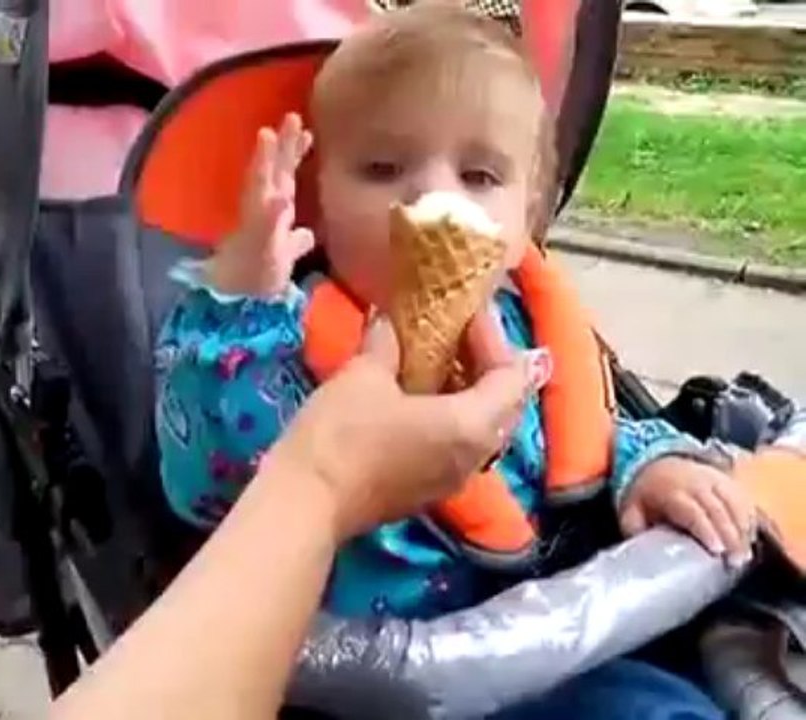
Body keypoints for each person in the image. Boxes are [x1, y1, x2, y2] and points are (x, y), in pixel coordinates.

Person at [154, 3, 753, 716]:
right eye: (382, 168)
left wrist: (650, 467)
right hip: (377, 688)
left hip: (546, 647)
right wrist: (240, 302)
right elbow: (205, 476)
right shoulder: (283, 345)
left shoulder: (528, 328)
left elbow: (594, 433)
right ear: (318, 200)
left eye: (479, 175)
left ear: (529, 215)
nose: (432, 196)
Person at [53, 313, 536, 719]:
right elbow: (194, 486)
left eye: (485, 192)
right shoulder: (266, 354)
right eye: (379, 194)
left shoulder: (518, 330)